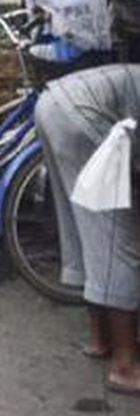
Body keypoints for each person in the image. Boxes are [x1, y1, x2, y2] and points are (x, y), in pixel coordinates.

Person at [36, 64, 140, 394]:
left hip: (53, 104)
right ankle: (125, 367)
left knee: (85, 231)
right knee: (118, 244)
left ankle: (100, 340)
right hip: (81, 114)